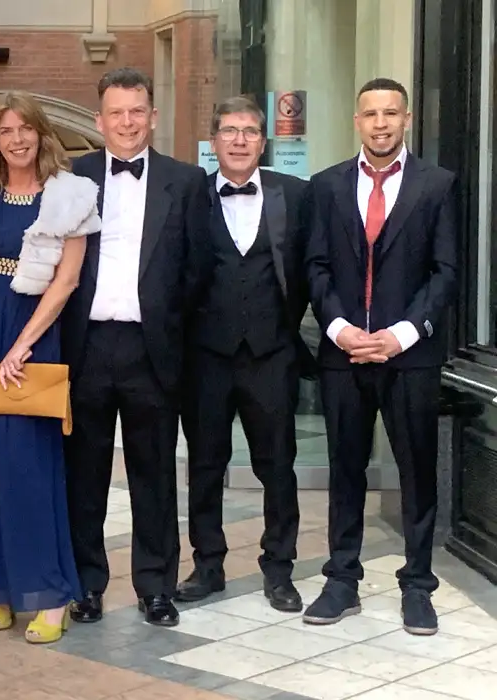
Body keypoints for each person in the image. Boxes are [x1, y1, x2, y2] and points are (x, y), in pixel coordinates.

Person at [303, 78, 457, 635]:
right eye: (370, 113)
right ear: (356, 121)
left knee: (417, 474)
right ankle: (341, 580)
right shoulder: (325, 186)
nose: (381, 123)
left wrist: (403, 334)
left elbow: (446, 273)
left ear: (407, 119)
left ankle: (418, 586)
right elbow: (315, 267)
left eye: (391, 113)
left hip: (410, 358)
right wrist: (340, 329)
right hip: (344, 355)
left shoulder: (437, 185)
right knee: (345, 471)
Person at [0, 91, 98, 645]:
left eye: (25, 129)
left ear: (41, 133)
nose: (16, 139)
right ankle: (1, 588)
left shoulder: (72, 196)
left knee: (27, 463)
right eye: (5, 131)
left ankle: (52, 593)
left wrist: (21, 343)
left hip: (29, 329)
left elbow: (67, 281)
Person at [62, 67, 210, 627]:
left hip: (155, 350)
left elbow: (200, 270)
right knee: (85, 474)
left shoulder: (187, 182)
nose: (127, 121)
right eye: (116, 112)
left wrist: (173, 332)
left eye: (137, 111)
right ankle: (86, 586)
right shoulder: (71, 179)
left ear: (152, 115)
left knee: (154, 474)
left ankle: (156, 587)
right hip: (88, 346)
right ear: (99, 120)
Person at [177, 96, 312, 611]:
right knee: (206, 466)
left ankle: (279, 570)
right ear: (214, 141)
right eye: (230, 131)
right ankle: (207, 566)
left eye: (250, 131)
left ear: (263, 141)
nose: (239, 140)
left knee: (278, 466)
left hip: (271, 353)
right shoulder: (190, 195)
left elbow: (309, 267)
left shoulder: (295, 195)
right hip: (204, 356)